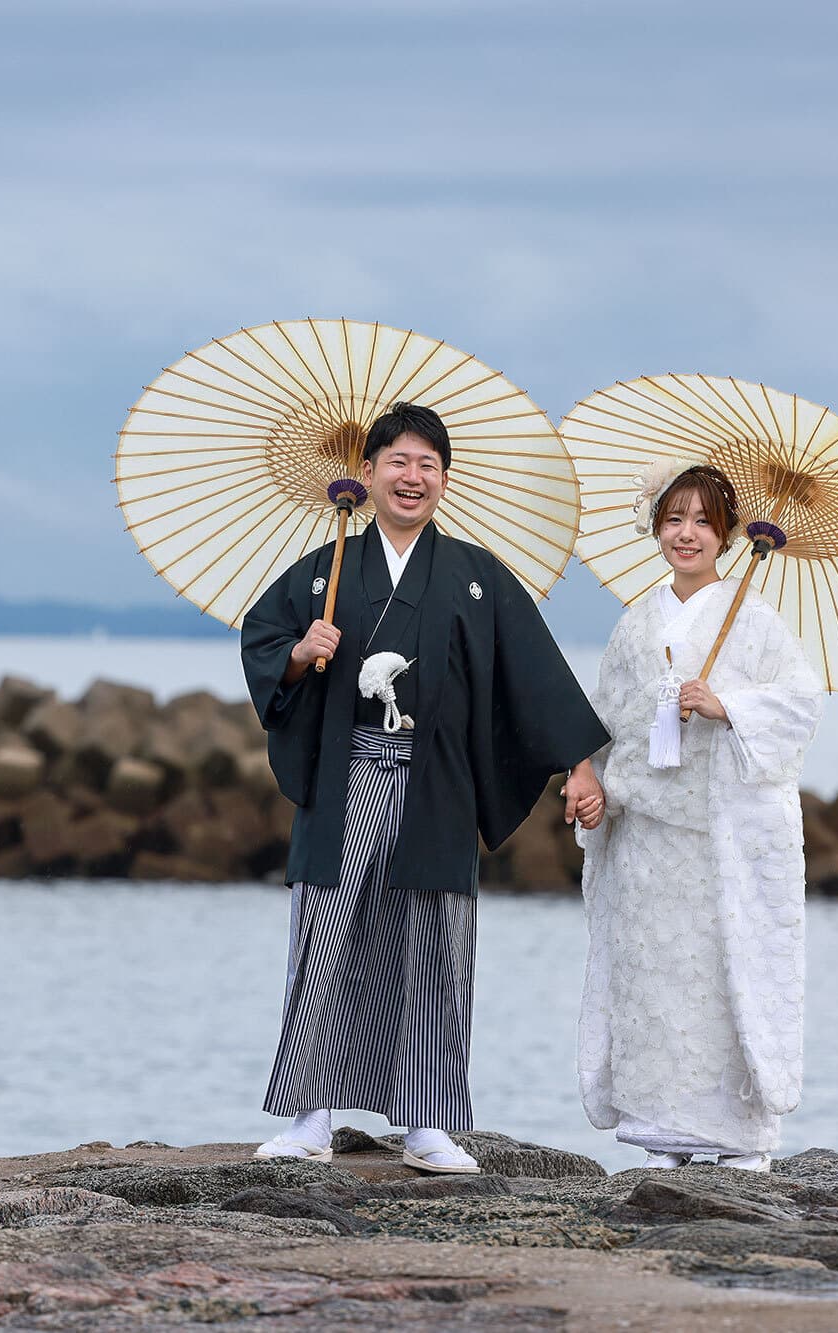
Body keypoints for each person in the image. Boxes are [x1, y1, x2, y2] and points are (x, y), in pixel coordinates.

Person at [240, 401, 611, 1174]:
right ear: (367, 473)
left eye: (427, 465)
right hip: (345, 779)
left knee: (433, 942)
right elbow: (263, 640)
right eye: (397, 462)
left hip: (435, 784)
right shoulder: (322, 571)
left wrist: (579, 763)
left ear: (444, 479)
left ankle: (428, 1121)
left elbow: (534, 676)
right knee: (329, 935)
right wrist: (304, 652)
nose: (412, 478)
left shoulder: (476, 577)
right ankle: (312, 1115)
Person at [575, 463, 823, 1171]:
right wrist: (588, 778)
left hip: (720, 840)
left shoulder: (756, 621)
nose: (687, 534)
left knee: (721, 980)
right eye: (674, 518)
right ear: (656, 526)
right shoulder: (635, 623)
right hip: (648, 840)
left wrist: (729, 705)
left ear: (727, 534)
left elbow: (802, 703)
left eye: (703, 521)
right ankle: (661, 1129)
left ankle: (738, 1138)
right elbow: (608, 720)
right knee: (653, 976)